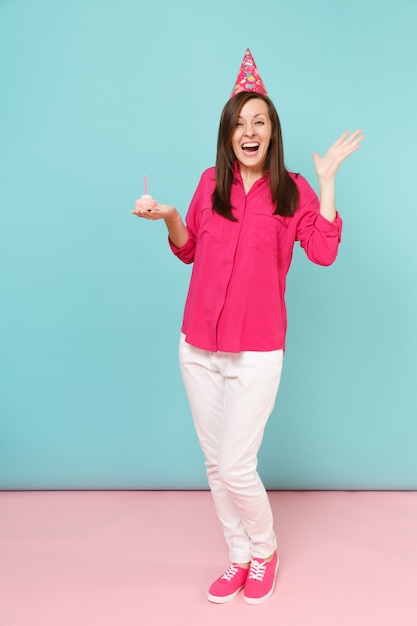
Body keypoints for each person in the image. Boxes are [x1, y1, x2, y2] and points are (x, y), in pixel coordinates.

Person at [132, 49, 364, 605]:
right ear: (228, 135)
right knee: (216, 464)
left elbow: (325, 252)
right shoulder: (211, 182)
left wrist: (328, 180)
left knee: (237, 464)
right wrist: (168, 217)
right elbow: (188, 252)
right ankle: (237, 556)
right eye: (239, 123)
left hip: (257, 350)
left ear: (272, 131)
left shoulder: (294, 191)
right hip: (197, 347)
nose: (249, 130)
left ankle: (265, 550)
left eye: (259, 120)